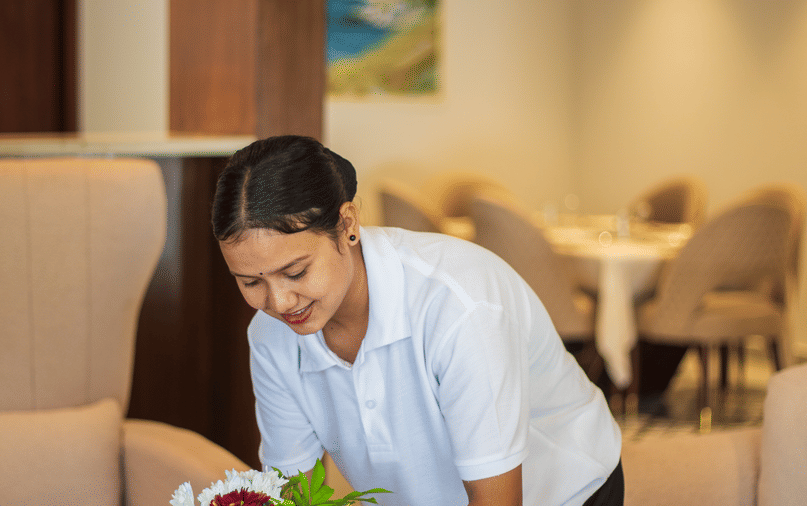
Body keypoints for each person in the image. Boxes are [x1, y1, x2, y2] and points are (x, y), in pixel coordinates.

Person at [211, 135, 623, 506]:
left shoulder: (459, 306)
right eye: (250, 282)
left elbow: (496, 500)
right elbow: (291, 492)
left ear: (347, 224)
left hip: (563, 491)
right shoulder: (271, 335)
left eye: (296, 272)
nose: (279, 302)